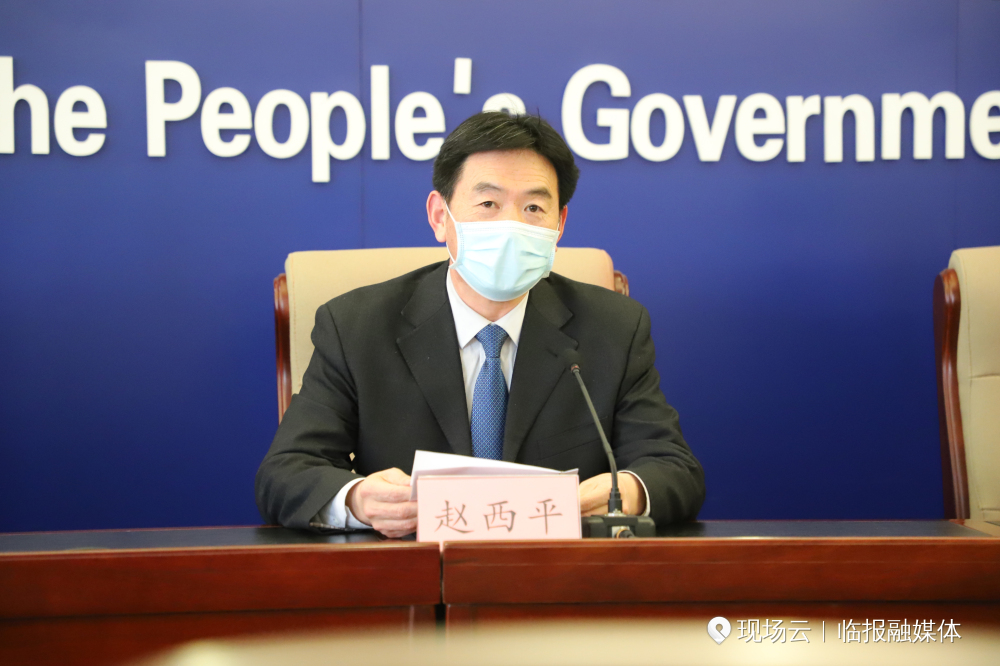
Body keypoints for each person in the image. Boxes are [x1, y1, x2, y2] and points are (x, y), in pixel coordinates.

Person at [255, 112, 704, 537]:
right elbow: (285, 472)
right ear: (440, 216)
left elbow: (674, 469)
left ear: (560, 224)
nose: (512, 225)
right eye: (488, 203)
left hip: (559, 577)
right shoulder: (356, 326)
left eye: (534, 208)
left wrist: (625, 493)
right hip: (410, 574)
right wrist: (356, 500)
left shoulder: (614, 328)